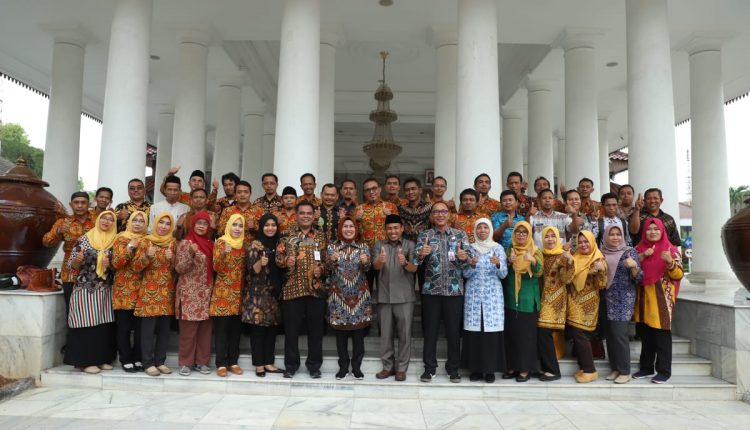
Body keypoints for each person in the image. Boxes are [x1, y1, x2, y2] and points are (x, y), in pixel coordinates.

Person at [415, 201, 471, 383]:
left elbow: (469, 262)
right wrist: (421, 254)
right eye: (436, 212)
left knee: (453, 332)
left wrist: (465, 257)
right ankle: (429, 368)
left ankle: (453, 369)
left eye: (443, 211)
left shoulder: (460, 235)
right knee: (430, 331)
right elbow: (415, 262)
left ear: (449, 214)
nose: (440, 214)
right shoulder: (425, 235)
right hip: (431, 291)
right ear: (432, 216)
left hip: (454, 292)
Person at [276, 201, 328, 379]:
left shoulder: (320, 236)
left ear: (313, 216)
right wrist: (285, 261)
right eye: (302, 213)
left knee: (316, 332)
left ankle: (314, 366)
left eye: (309, 213)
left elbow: (327, 261)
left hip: (316, 291)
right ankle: (291, 366)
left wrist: (322, 269)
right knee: (291, 332)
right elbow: (278, 259)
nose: (305, 216)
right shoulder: (286, 236)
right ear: (296, 215)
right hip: (292, 290)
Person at [64, 210, 117, 374]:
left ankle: (101, 359)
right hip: (85, 289)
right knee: (86, 323)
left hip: (105, 289)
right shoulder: (85, 239)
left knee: (102, 325)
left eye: (110, 219)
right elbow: (70, 266)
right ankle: (85, 361)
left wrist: (111, 265)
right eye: (104, 218)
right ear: (98, 220)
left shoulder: (115, 241)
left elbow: (120, 266)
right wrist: (77, 261)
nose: (107, 221)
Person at [633, 218, 683, 384]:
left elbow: (678, 275)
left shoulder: (671, 250)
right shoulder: (638, 249)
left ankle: (664, 371)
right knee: (646, 335)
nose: (652, 232)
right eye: (649, 229)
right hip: (642, 298)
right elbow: (630, 269)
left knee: (662, 337)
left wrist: (669, 262)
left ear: (662, 231)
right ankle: (646, 368)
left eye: (656, 229)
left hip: (661, 299)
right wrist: (641, 257)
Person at [461, 218, 508, 383]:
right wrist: (472, 265)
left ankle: (489, 371)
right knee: (475, 333)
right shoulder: (469, 249)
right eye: (479, 228)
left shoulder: (498, 248)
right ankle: (475, 370)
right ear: (475, 231)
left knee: (490, 334)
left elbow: (504, 274)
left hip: (492, 296)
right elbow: (465, 274)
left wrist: (498, 264)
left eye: (485, 228)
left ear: (490, 230)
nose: (482, 231)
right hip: (473, 296)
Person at [372, 214, 418, 381]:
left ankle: (401, 368)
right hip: (384, 296)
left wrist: (404, 262)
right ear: (385, 229)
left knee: (405, 335)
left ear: (402, 228)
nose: (393, 231)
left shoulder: (410, 245)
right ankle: (387, 367)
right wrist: (381, 260)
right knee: (386, 334)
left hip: (405, 296)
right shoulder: (379, 245)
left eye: (396, 228)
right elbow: (375, 266)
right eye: (389, 228)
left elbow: (414, 268)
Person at [326, 217, 372, 380]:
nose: (348, 229)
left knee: (358, 335)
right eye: (345, 226)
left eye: (351, 226)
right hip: (339, 298)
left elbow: (368, 268)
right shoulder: (332, 247)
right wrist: (331, 260)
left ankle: (357, 367)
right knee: (341, 335)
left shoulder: (363, 247)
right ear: (340, 229)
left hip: (359, 298)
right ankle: (344, 367)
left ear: (355, 229)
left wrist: (366, 262)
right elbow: (327, 268)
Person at [132, 212, 177, 377]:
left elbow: (177, 270)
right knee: (148, 331)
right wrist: (146, 256)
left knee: (164, 331)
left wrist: (172, 259)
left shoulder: (173, 243)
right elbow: (135, 267)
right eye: (161, 222)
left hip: (166, 291)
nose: (164, 226)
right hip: (149, 292)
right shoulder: (146, 242)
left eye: (167, 223)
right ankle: (148, 363)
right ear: (155, 223)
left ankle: (160, 361)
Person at [244, 213, 285, 377]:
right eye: (267, 225)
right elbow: (252, 270)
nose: (270, 228)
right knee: (258, 331)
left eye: (273, 225)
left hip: (273, 294)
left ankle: (269, 362)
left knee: (271, 330)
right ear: (261, 227)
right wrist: (260, 263)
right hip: (257, 294)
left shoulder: (279, 244)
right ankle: (259, 364)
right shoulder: (255, 245)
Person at [43, 191, 96, 318]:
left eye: (83, 202)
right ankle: (71, 331)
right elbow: (46, 241)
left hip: (93, 271)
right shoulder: (63, 222)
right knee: (72, 309)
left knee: (92, 309)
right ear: (71, 204)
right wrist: (58, 232)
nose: (80, 205)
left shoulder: (97, 221)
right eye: (76, 203)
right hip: (70, 272)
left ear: (88, 204)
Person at [174, 211, 214, 377]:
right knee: (188, 331)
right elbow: (179, 268)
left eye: (205, 224)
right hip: (189, 292)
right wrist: (191, 253)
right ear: (193, 224)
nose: (201, 226)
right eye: (198, 223)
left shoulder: (210, 243)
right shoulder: (186, 243)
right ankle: (185, 362)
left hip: (206, 292)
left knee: (205, 330)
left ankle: (202, 362)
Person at [601, 224, 642, 384]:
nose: (615, 237)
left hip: (623, 299)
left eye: (618, 234)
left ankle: (625, 371)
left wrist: (634, 267)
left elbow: (639, 277)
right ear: (606, 236)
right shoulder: (602, 252)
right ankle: (615, 368)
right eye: (612, 234)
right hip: (606, 298)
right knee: (610, 335)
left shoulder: (629, 252)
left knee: (619, 335)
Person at [502, 221, 543, 382]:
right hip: (511, 299)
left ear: (529, 234)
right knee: (511, 335)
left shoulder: (535, 250)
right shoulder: (510, 250)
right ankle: (512, 367)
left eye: (524, 232)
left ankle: (525, 369)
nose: (520, 235)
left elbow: (539, 272)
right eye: (518, 232)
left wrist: (532, 261)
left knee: (526, 337)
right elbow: (503, 272)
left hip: (527, 300)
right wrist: (508, 261)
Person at [566, 230, 608, 383]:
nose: (583, 245)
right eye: (580, 242)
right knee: (576, 334)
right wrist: (568, 263)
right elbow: (567, 279)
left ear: (592, 242)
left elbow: (602, 285)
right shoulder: (575, 257)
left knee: (580, 334)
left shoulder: (598, 259)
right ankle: (584, 367)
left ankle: (590, 370)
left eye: (586, 242)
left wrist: (600, 271)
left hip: (589, 303)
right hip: (573, 301)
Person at [111, 210, 148, 373]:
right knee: (124, 327)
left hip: (143, 288)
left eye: (141, 221)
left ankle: (138, 358)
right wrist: (130, 247)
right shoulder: (121, 238)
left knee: (140, 328)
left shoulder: (148, 240)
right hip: (124, 289)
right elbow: (116, 263)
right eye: (135, 220)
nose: (138, 223)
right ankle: (125, 358)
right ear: (129, 222)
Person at [536, 226, 575, 381]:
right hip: (542, 299)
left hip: (556, 299)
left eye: (553, 236)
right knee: (542, 333)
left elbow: (566, 279)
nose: (550, 239)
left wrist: (569, 262)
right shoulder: (541, 254)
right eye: (547, 236)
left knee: (543, 332)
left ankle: (553, 370)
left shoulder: (562, 255)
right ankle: (546, 367)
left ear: (558, 238)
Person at [211, 213, 247, 377]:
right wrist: (224, 253)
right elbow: (216, 267)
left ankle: (233, 362)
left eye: (240, 226)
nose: (237, 229)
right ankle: (221, 363)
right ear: (228, 226)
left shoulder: (243, 245)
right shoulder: (221, 242)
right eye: (234, 225)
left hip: (238, 294)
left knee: (235, 332)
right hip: (222, 294)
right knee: (221, 331)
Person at [217, 180, 264, 247]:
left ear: (250, 193)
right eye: (239, 192)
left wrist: (254, 227)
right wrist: (230, 226)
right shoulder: (227, 211)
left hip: (252, 249)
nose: (242, 194)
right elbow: (219, 232)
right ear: (235, 194)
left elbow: (265, 233)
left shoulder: (259, 211)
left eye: (246, 192)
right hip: (232, 248)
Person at [398, 177, 432, 243]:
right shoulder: (401, 209)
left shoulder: (430, 208)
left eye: (413, 189)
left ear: (420, 190)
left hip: (425, 246)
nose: (410, 192)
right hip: (406, 247)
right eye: (407, 190)